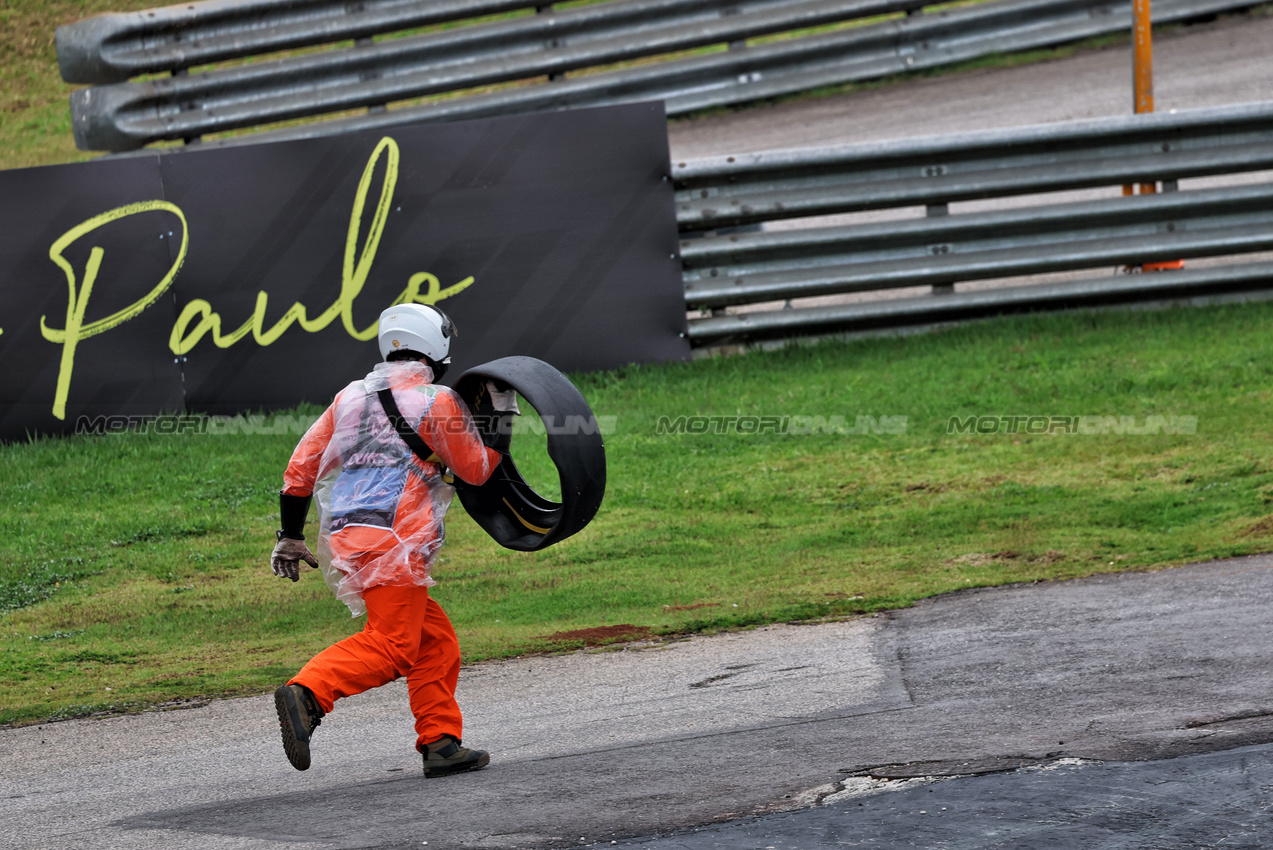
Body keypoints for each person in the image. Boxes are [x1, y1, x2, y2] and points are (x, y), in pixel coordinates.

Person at [267, 303, 517, 777]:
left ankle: (441, 742)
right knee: (394, 644)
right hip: (395, 543)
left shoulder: (350, 398)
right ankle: (308, 692)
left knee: (434, 641)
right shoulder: (436, 401)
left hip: (347, 536)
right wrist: (503, 414)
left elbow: (300, 471)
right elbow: (477, 471)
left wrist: (290, 536)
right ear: (436, 346)